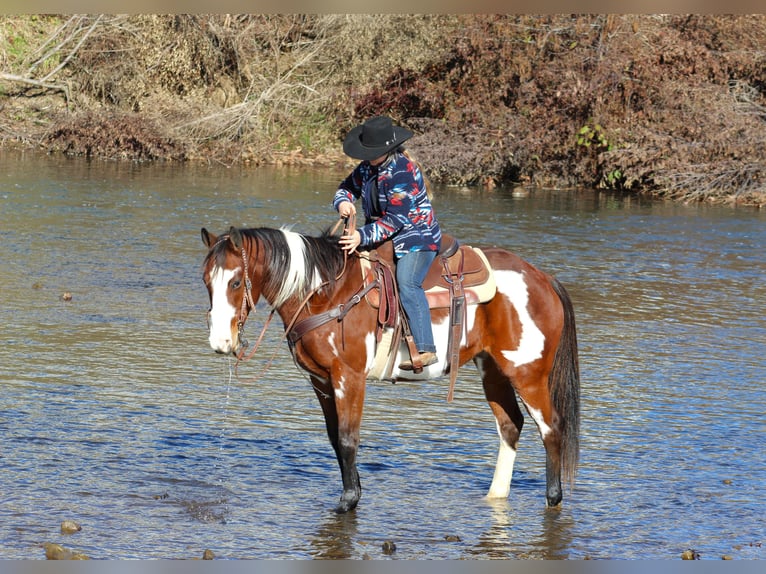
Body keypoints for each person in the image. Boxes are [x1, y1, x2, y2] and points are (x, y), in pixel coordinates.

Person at [333, 115, 442, 370]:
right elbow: (346, 187)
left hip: (416, 237)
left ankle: (426, 348)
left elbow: (397, 219)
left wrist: (361, 235)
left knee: (408, 282)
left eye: (371, 152)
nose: (367, 156)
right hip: (380, 233)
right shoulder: (367, 167)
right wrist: (344, 201)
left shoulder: (402, 171)